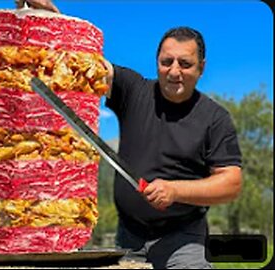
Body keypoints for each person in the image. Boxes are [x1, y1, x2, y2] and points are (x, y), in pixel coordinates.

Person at [16, 1, 243, 269]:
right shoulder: (134, 89)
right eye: (166, 61)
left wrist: (175, 190)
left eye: (185, 64)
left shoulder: (215, 118)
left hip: (183, 239)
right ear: (156, 61)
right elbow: (84, 63)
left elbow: (231, 183)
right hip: (128, 235)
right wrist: (54, 23)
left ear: (201, 68)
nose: (174, 71)